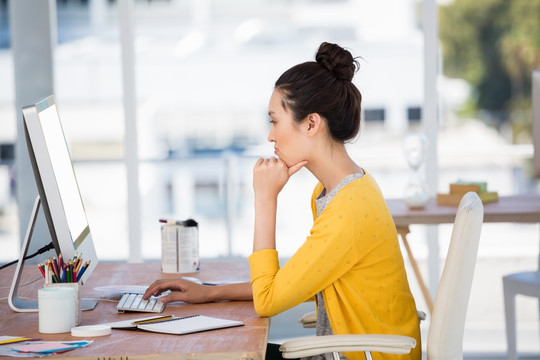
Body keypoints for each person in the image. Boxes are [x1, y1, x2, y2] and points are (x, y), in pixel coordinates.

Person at [144, 42, 421, 360]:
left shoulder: (348, 211)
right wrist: (211, 292)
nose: (270, 136)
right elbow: (291, 282)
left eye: (275, 121)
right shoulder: (335, 192)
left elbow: (268, 301)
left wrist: (265, 198)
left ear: (312, 124)